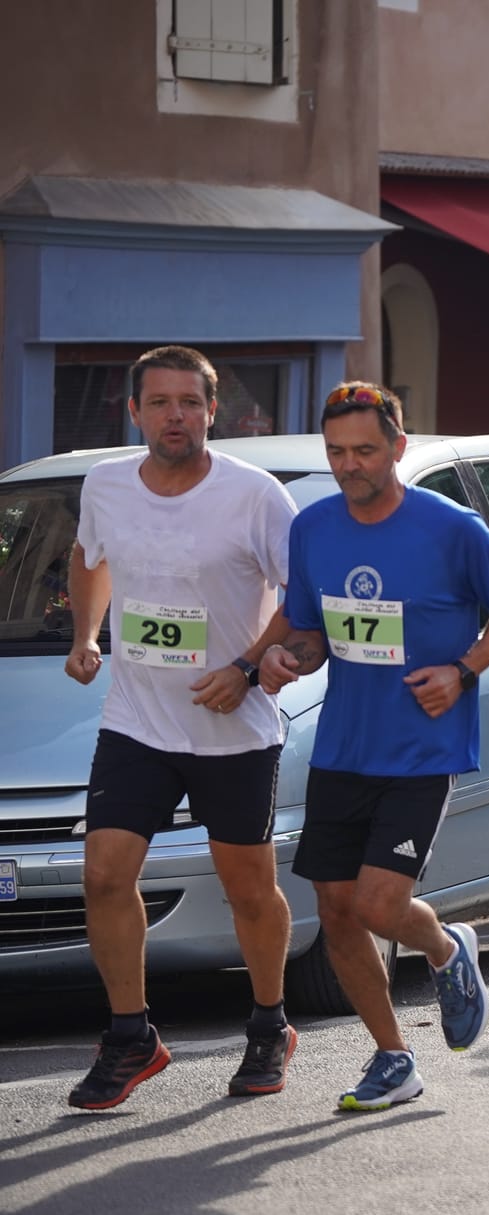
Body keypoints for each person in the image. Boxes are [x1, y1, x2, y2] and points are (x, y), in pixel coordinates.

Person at [260, 382, 489, 1112]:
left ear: (398, 447)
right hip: (342, 744)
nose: (349, 465)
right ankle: (392, 1056)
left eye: (365, 450)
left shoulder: (450, 527)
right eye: (337, 452)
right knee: (339, 910)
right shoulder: (314, 527)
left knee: (383, 904)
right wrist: (290, 656)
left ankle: (447, 948)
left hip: (423, 743)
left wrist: (465, 669)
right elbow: (311, 630)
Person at [61, 345, 302, 1111]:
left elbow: (306, 599)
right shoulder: (105, 484)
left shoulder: (255, 496)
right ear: (134, 411)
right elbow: (88, 556)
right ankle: (131, 1035)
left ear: (211, 410)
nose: (175, 415)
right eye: (160, 402)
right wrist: (87, 635)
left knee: (248, 891)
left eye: (189, 403)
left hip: (231, 728)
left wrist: (252, 663)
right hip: (136, 719)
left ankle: (269, 1023)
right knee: (102, 874)